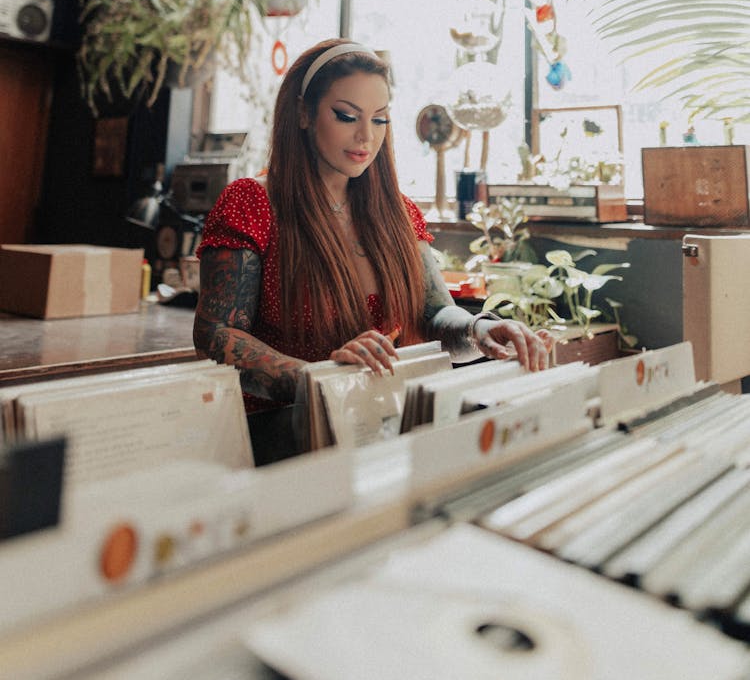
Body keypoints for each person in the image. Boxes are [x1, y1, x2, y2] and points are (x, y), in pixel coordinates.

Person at [194, 38, 550, 464]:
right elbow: (215, 334)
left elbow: (435, 313)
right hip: (282, 439)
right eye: (346, 116)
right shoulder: (253, 203)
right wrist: (318, 378)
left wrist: (478, 330)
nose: (366, 136)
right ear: (304, 113)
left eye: (380, 119)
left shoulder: (397, 212)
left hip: (376, 429)